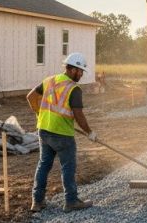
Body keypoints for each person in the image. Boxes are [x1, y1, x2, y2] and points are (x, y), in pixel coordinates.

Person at [26, 52, 97, 213]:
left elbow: (30, 97)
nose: (81, 74)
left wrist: (39, 113)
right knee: (68, 167)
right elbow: (78, 115)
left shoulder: (49, 81)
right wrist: (90, 132)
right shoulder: (74, 89)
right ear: (72, 69)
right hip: (63, 134)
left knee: (44, 165)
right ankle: (71, 201)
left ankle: (37, 202)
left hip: (44, 130)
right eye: (80, 71)